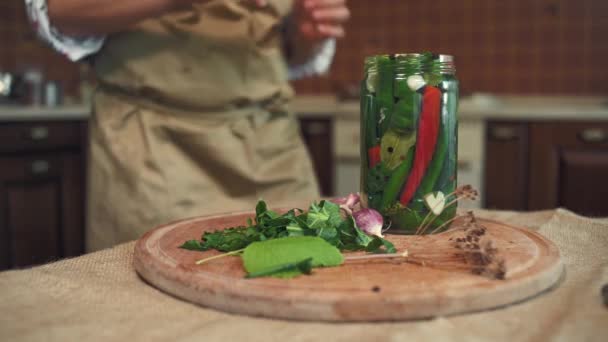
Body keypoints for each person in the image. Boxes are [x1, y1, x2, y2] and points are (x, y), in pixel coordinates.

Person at [26, 0, 350, 251]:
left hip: (271, 144)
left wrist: (304, 32)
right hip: (151, 147)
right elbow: (57, 13)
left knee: (294, 291)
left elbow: (289, 51)